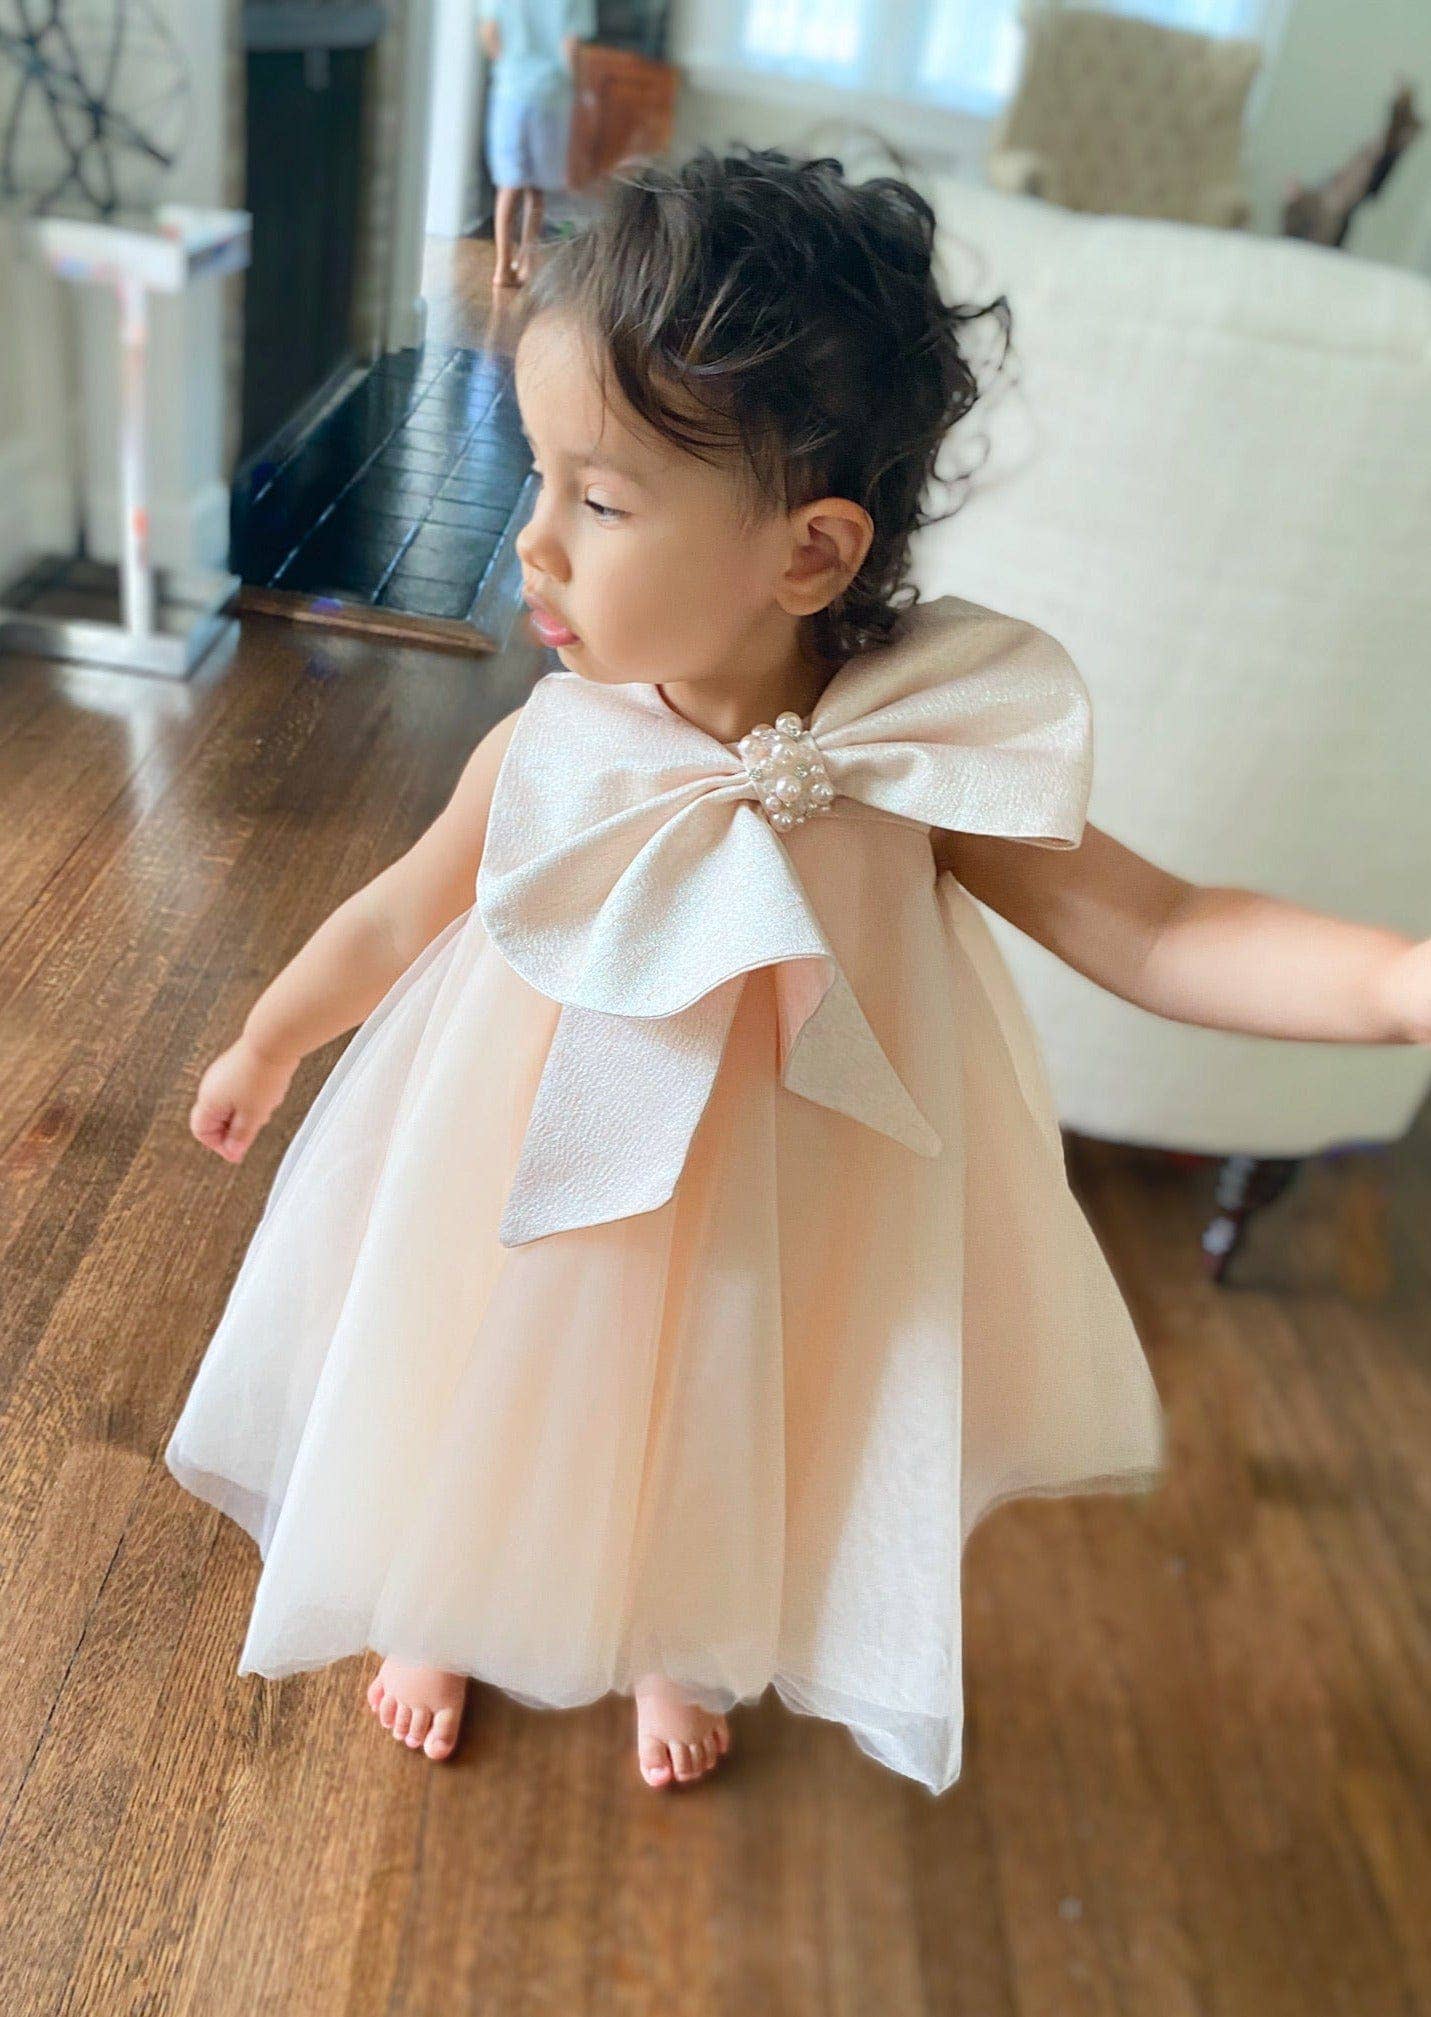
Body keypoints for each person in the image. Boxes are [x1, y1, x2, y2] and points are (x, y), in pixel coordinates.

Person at [165, 148, 1431, 1795]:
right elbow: (399, 914)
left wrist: (1397, 983)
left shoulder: (915, 758)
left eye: (598, 501)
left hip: (787, 1190)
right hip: (534, 1170)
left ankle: (676, 1629)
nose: (532, 544)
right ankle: (450, 1595)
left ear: (811, 553)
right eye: (540, 476)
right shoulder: (555, 746)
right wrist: (272, 1038)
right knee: (498, 1366)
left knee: (734, 1401)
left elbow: (1159, 927)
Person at [478, 0, 594, 291]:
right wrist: (579, 91)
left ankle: (502, 266)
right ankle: (527, 261)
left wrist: (508, 66)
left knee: (508, 186)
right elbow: (571, 45)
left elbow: (489, 30)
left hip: (510, 92)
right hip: (550, 96)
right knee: (536, 189)